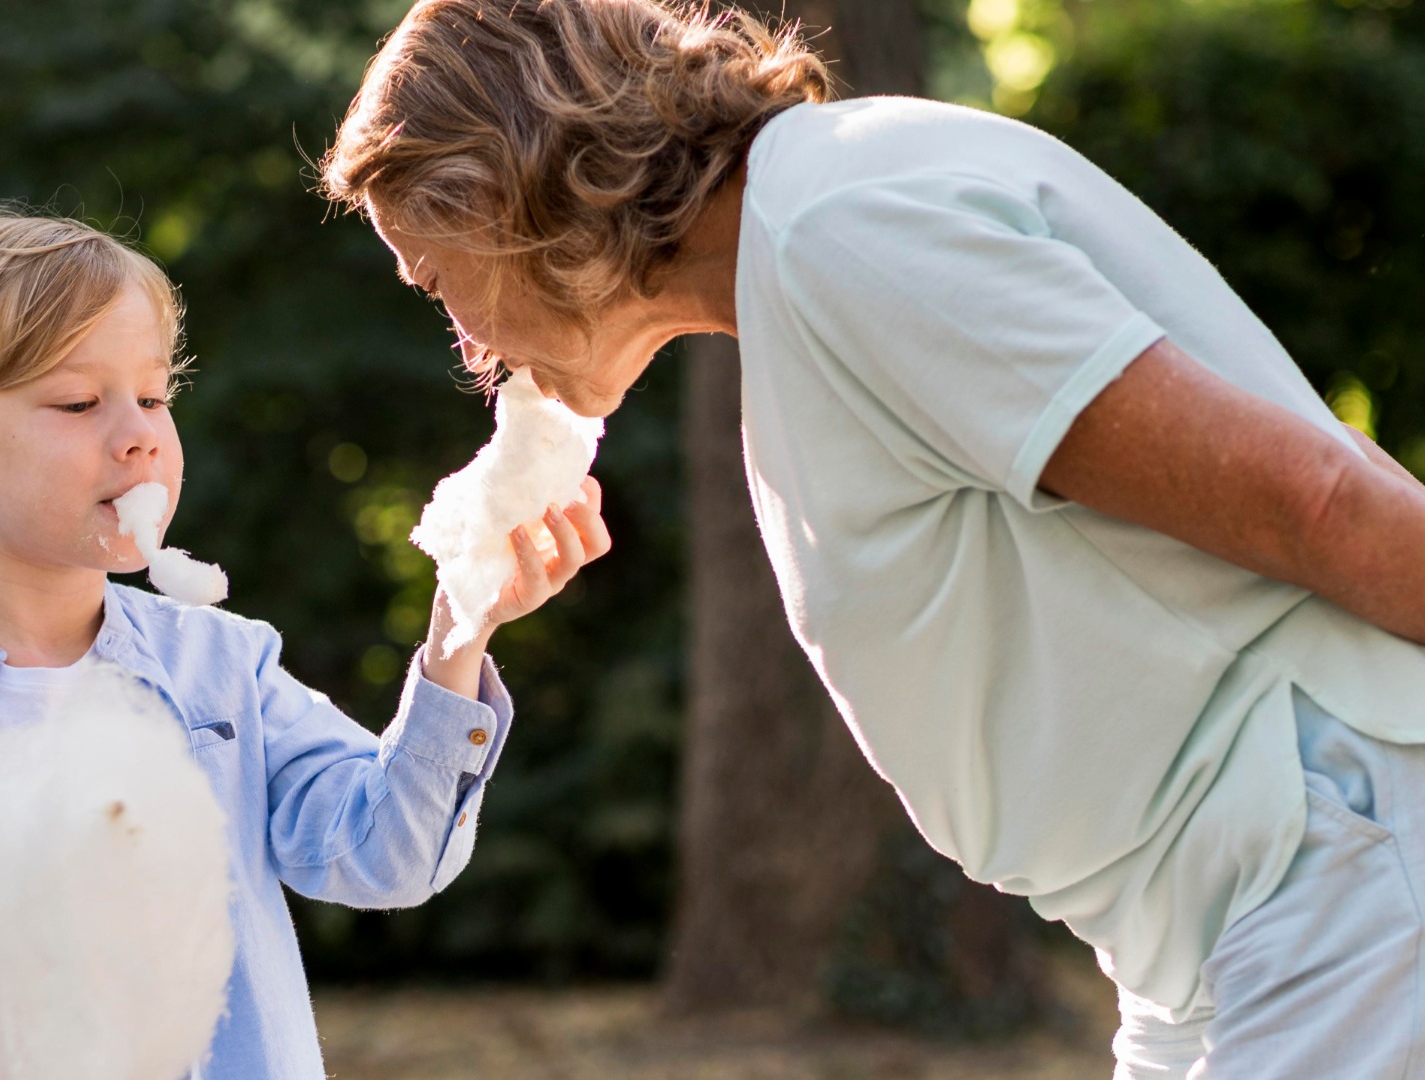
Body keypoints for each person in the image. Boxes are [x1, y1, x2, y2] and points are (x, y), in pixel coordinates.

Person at [319, 1, 1425, 1076]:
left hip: (1331, 856)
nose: (463, 339)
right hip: (1223, 924)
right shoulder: (804, 261)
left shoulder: (842, 231)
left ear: (514, 196)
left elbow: (1317, 499)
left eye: (437, 280)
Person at [0, 210, 612, 1080]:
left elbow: (388, 856)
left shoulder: (222, 670)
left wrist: (460, 626)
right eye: (79, 402)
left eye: (150, 396)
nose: (138, 437)